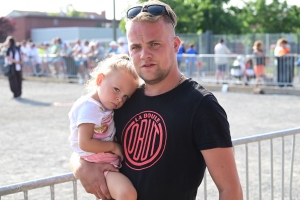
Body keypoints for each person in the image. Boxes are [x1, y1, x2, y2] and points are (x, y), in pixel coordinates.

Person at [70, 1, 243, 200]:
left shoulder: (201, 105)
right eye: (136, 47)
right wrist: (80, 166)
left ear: (175, 45)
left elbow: (230, 190)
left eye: (154, 44)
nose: (144, 55)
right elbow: (84, 143)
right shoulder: (124, 98)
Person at [68, 54, 140, 200]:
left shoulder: (104, 106)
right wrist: (114, 147)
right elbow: (85, 143)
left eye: (126, 96)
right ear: (100, 79)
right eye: (116, 89)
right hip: (99, 164)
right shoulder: (90, 107)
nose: (120, 98)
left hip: (106, 162)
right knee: (127, 194)